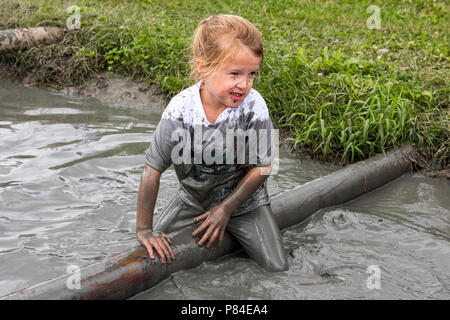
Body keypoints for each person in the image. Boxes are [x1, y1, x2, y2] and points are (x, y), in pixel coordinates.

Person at [136, 14, 288, 272]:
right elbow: (152, 170)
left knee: (277, 269)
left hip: (245, 206)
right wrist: (144, 229)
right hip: (193, 202)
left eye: (252, 74)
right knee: (150, 254)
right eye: (235, 74)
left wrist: (225, 209)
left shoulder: (254, 107)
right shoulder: (180, 110)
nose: (244, 84)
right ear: (203, 67)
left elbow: (265, 166)